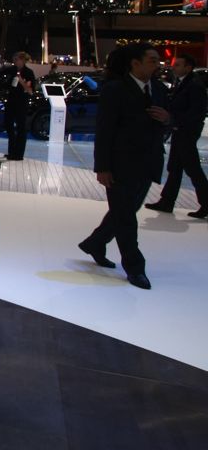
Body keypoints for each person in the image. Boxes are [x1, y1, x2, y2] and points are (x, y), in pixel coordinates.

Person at [78, 43, 169, 289]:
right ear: (135, 63)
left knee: (124, 211)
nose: (157, 64)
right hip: (120, 165)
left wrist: (167, 119)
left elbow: (165, 124)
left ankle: (95, 243)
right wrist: (103, 167)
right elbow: (105, 130)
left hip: (148, 163)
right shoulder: (115, 90)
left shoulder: (159, 89)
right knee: (126, 217)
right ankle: (135, 267)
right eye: (152, 59)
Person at [145, 54, 208, 219]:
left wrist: (173, 120)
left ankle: (206, 203)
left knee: (192, 169)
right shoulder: (184, 83)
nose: (174, 67)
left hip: (186, 131)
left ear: (188, 67)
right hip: (181, 130)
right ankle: (167, 201)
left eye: (178, 65)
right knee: (175, 168)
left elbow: (196, 113)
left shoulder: (194, 85)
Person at [2, 52, 36, 161]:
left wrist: (21, 80)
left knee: (21, 128)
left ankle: (19, 154)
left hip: (21, 103)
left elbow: (30, 91)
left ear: (22, 60)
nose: (15, 62)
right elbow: (0, 73)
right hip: (11, 101)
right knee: (8, 125)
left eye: (17, 59)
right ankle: (11, 151)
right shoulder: (12, 69)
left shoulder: (29, 73)